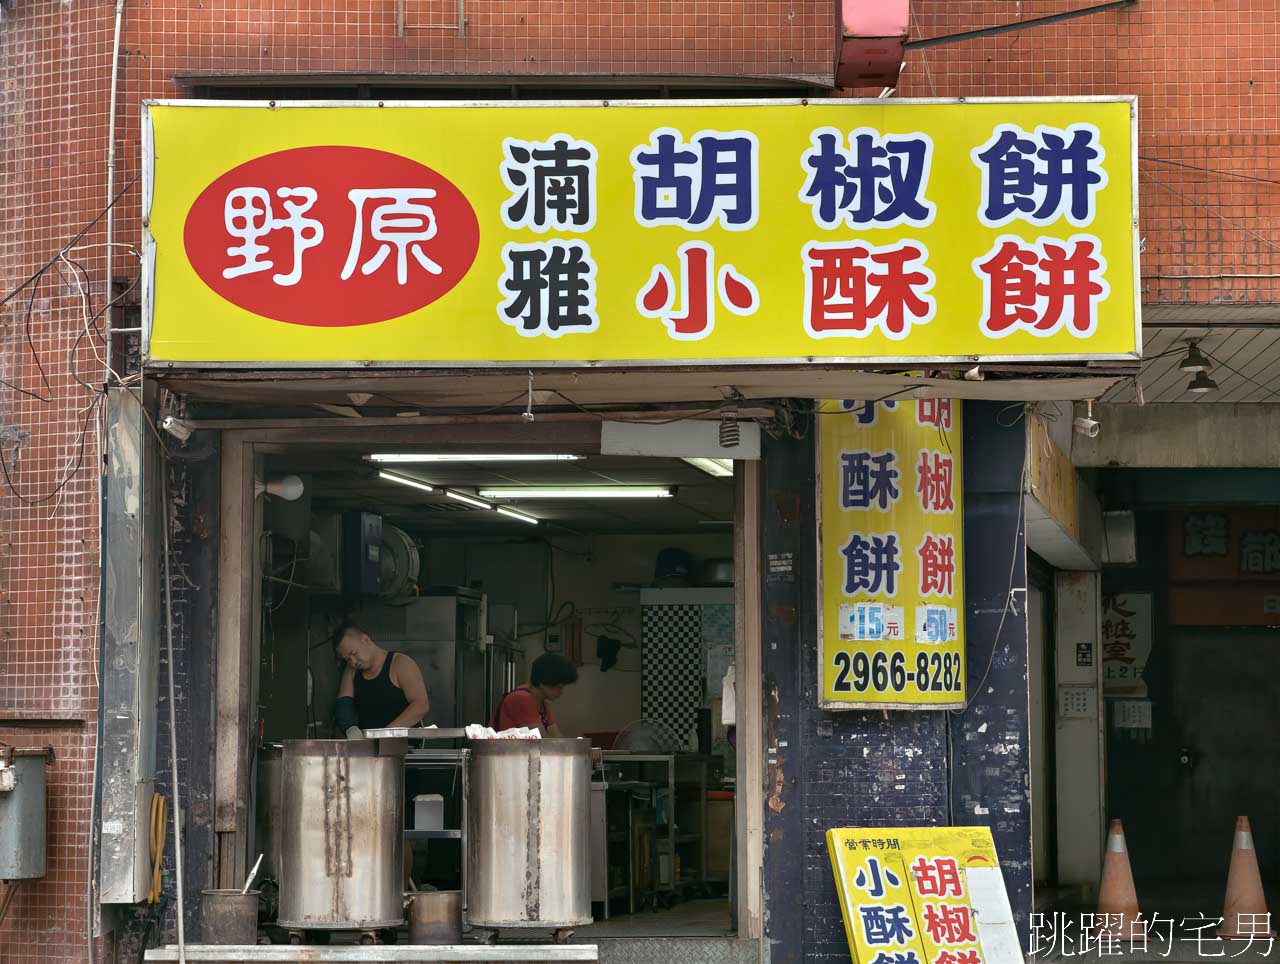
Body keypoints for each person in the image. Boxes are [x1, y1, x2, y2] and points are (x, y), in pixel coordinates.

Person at [333, 622, 430, 737]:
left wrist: (386, 734)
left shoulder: (400, 664)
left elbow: (421, 706)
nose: (353, 661)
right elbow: (344, 705)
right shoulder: (351, 670)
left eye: (354, 653)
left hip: (406, 747)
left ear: (365, 639)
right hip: (369, 748)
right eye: (348, 659)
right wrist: (350, 728)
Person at [491, 652, 578, 736]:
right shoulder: (522, 698)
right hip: (502, 750)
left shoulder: (542, 702)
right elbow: (542, 741)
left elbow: (555, 735)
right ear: (543, 683)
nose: (561, 692)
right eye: (559, 687)